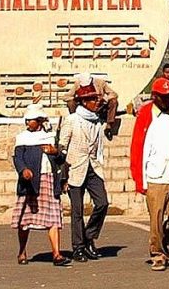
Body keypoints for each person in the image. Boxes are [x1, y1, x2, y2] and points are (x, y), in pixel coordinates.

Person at [130, 77, 169, 271]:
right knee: (156, 218)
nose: (168, 100)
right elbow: (137, 147)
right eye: (164, 96)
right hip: (154, 176)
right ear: (154, 96)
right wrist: (140, 179)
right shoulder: (146, 115)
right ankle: (157, 254)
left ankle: (160, 242)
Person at [11, 104, 71, 266]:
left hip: (49, 181)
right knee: (25, 220)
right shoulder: (22, 138)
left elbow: (60, 160)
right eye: (27, 120)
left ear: (39, 121)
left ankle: (56, 254)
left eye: (31, 120)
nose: (28, 123)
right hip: (30, 183)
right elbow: (18, 158)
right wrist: (23, 170)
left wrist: (55, 152)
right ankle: (22, 251)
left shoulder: (50, 137)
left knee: (53, 218)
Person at [61, 83, 109, 261]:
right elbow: (62, 146)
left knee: (102, 203)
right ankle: (78, 247)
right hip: (75, 168)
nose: (96, 102)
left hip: (93, 167)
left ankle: (89, 236)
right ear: (83, 102)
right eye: (92, 99)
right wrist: (63, 175)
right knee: (77, 211)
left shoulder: (96, 121)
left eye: (96, 99)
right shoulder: (72, 120)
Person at [66, 73, 120, 141]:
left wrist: (105, 98)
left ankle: (109, 126)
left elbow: (114, 94)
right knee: (70, 103)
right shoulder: (77, 84)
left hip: (99, 107)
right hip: (84, 108)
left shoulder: (100, 82)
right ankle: (76, 123)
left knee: (113, 101)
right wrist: (79, 98)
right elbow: (66, 96)